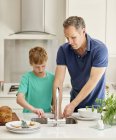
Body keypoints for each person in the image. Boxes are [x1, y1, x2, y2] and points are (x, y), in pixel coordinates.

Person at [53, 16, 108, 118]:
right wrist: (57, 107)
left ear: (83, 31)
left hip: (96, 109)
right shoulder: (63, 50)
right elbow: (58, 82)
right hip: (75, 108)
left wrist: (72, 104)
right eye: (67, 37)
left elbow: (92, 80)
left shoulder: (100, 49)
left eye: (73, 37)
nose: (69, 42)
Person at [17, 46, 54, 117]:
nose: (40, 69)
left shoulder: (52, 78)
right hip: (29, 115)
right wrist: (34, 109)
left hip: (46, 115)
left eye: (43, 66)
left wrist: (55, 106)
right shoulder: (26, 77)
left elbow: (53, 100)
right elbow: (19, 99)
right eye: (37, 67)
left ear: (46, 61)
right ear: (31, 64)